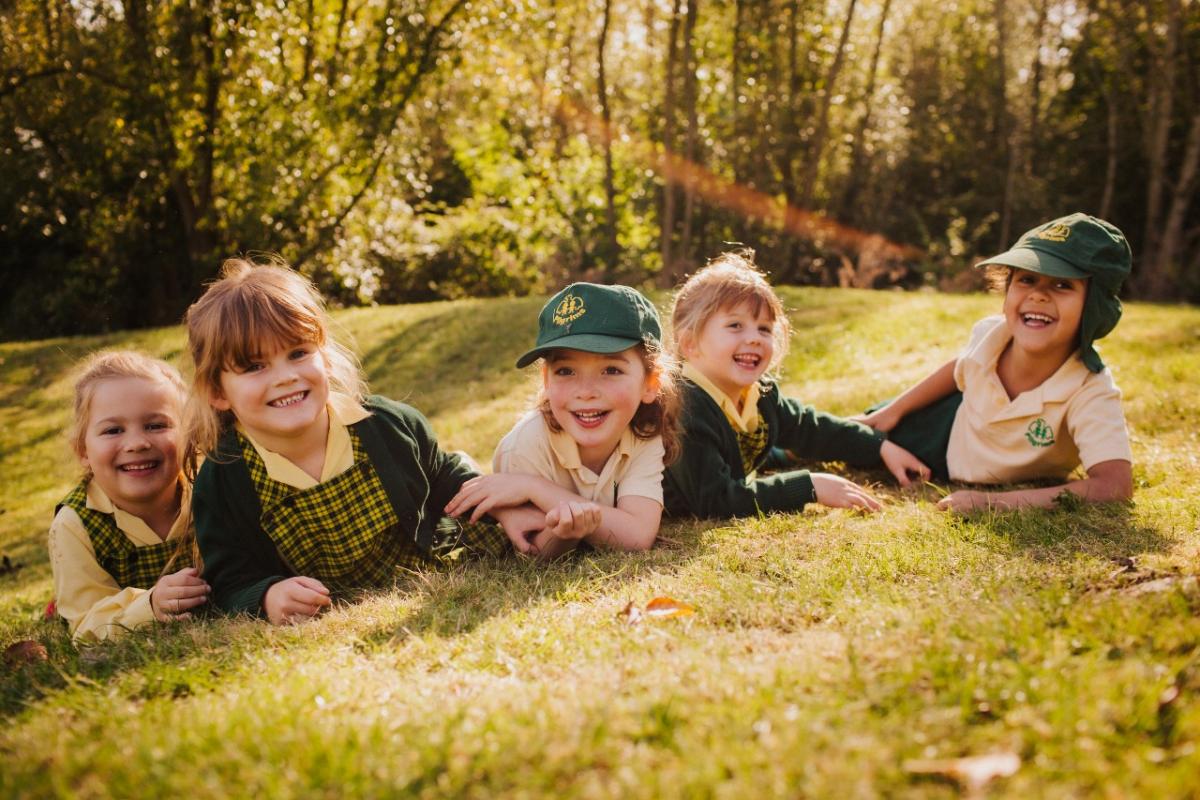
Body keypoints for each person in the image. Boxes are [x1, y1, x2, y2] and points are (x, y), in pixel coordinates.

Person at [186, 257, 543, 625]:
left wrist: (502, 508)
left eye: (298, 353)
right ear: (217, 391)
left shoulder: (385, 425)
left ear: (323, 356)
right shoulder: (225, 478)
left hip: (419, 572)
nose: (285, 377)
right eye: (255, 366)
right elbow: (229, 577)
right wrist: (267, 595)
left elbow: (445, 480)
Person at [857, 213, 1134, 512]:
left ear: (1094, 308)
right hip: (940, 429)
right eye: (1027, 279)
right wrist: (893, 410)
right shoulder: (991, 332)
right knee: (852, 435)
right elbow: (959, 368)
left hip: (965, 455)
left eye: (1062, 285)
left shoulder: (1090, 389)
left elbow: (1114, 486)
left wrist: (993, 503)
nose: (1038, 295)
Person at [663, 252, 929, 518]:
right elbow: (716, 501)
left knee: (781, 444)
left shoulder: (760, 394)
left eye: (764, 329)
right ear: (690, 344)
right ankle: (781, 455)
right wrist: (809, 486)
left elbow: (809, 428)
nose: (754, 338)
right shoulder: (684, 407)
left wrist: (878, 446)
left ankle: (782, 454)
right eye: (735, 325)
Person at [446, 283, 680, 557]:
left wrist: (534, 489)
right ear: (546, 380)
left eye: (611, 370)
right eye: (566, 371)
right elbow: (532, 551)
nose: (586, 392)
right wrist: (565, 534)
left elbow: (638, 534)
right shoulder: (525, 445)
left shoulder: (643, 434)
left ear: (650, 384)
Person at [49, 351, 207, 642]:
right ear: (83, 451)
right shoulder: (75, 524)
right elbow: (85, 623)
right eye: (113, 430)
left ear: (189, 434)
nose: (136, 443)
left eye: (156, 425)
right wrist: (150, 606)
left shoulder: (208, 493)